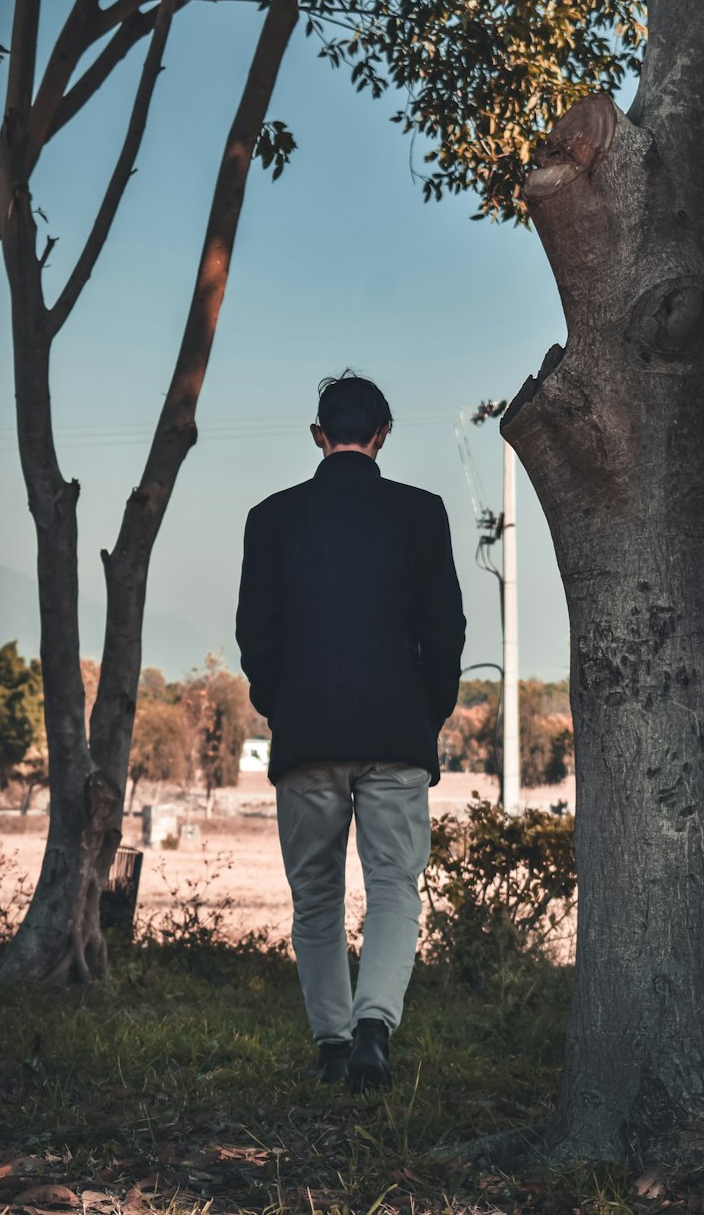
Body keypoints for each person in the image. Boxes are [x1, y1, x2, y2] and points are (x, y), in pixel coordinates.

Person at [235, 370, 465, 1091]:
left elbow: (256, 635)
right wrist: (428, 711)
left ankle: (333, 1046)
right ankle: (374, 1029)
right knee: (396, 886)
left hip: (306, 736)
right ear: (383, 434)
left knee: (316, 895)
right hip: (396, 733)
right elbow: (445, 630)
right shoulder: (421, 513)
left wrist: (281, 704)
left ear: (318, 435)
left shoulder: (270, 518)